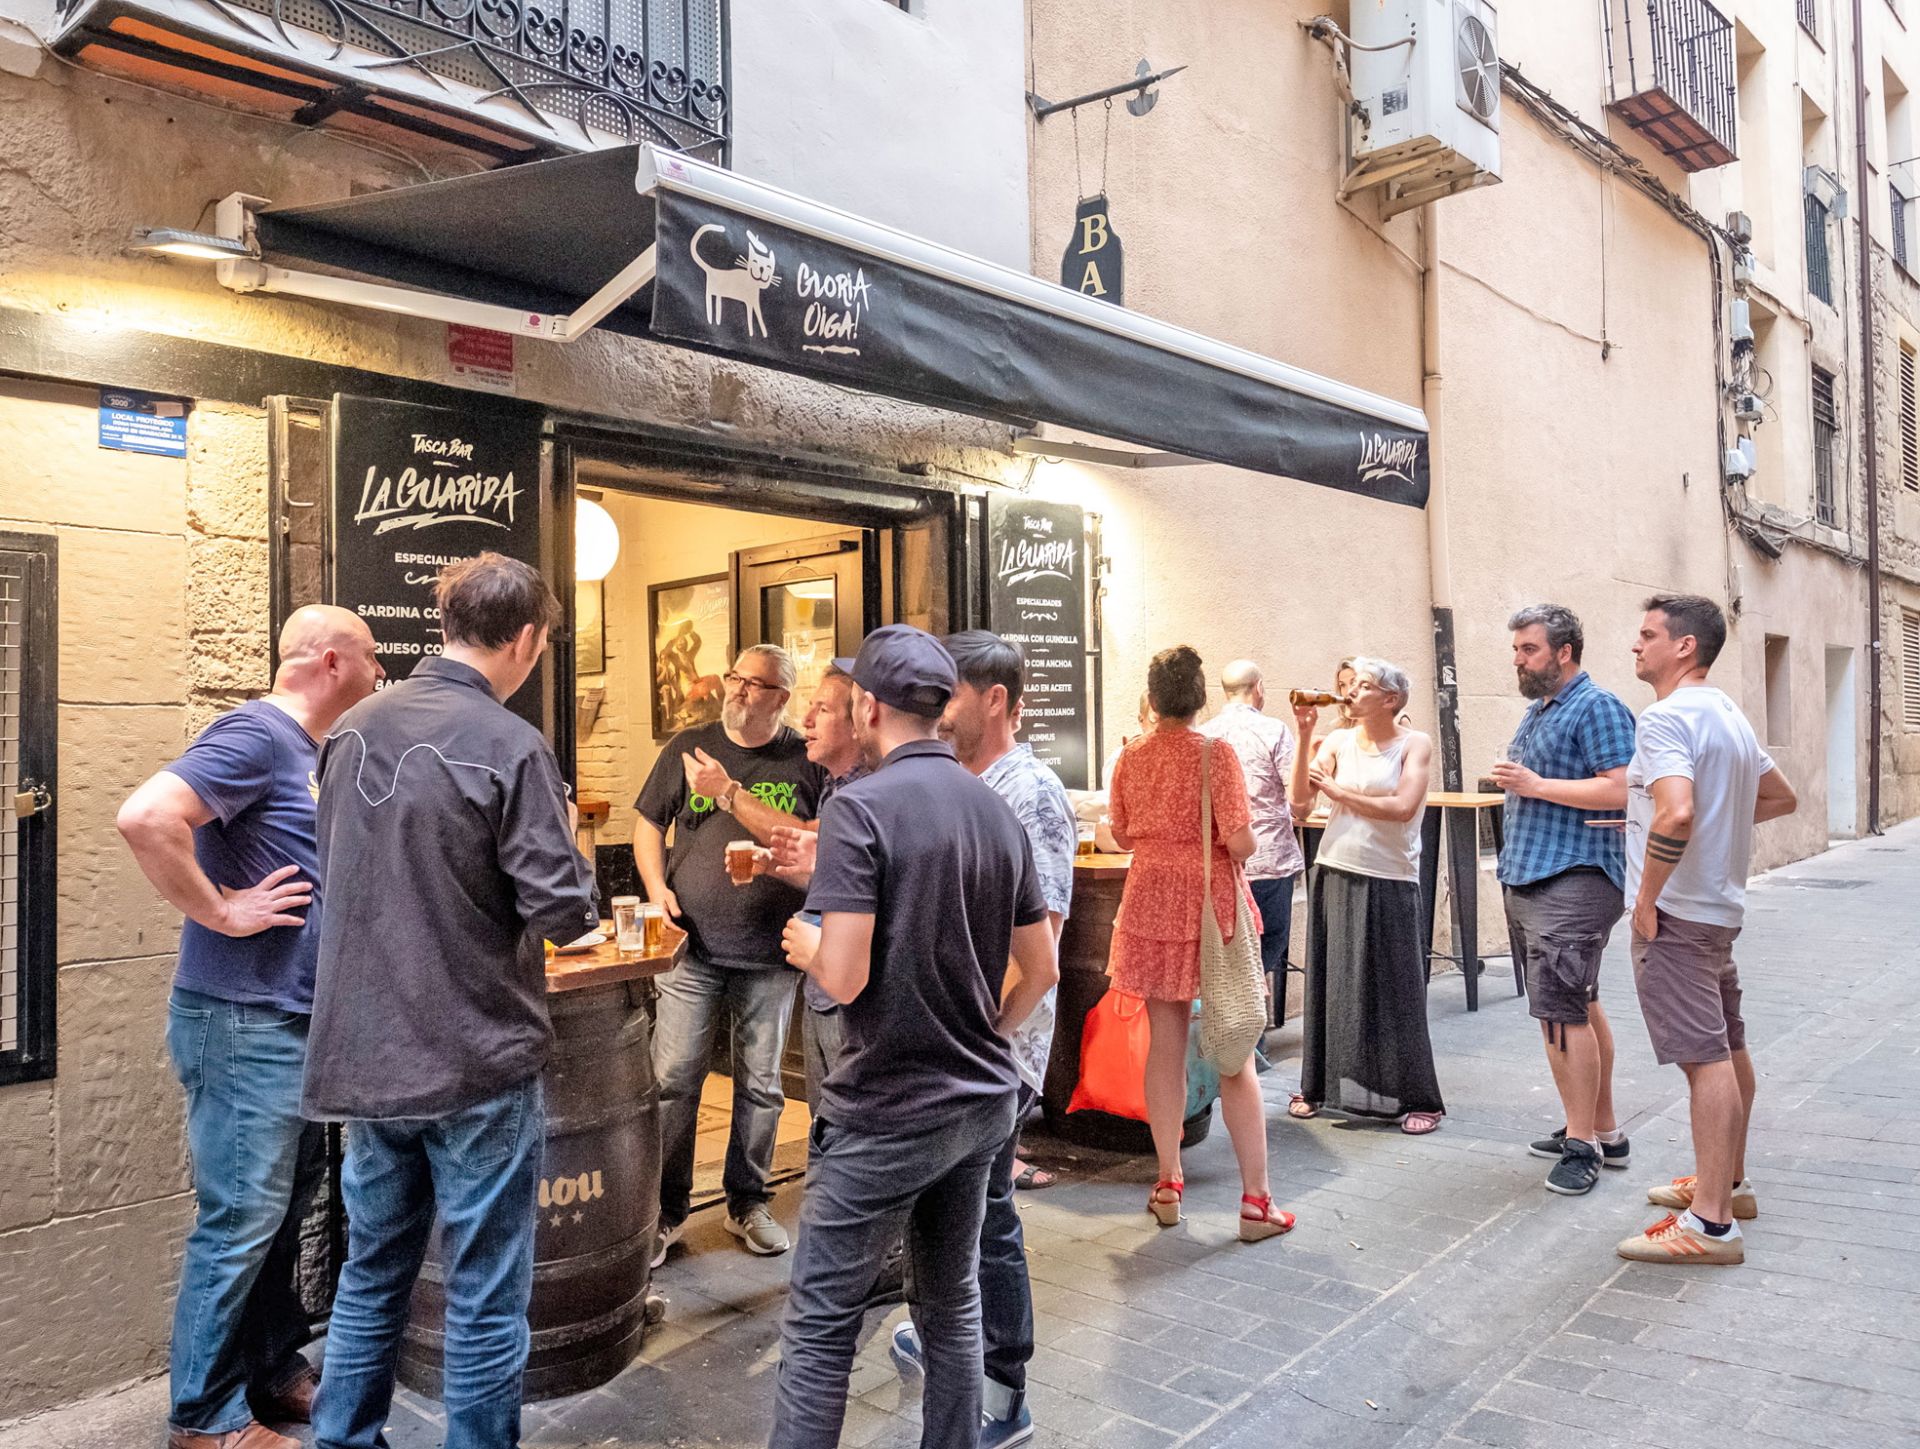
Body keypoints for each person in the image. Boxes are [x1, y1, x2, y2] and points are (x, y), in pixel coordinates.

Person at [303, 554, 598, 1449]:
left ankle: (342, 1438)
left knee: (372, 1270)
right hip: (474, 1057)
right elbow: (565, 912)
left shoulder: (351, 730)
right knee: (483, 1293)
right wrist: (574, 843)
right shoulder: (510, 743)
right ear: (525, 638)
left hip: (366, 1056)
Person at [772, 625, 1059, 1449]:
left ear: (867, 705)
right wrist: (985, 1033)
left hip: (885, 1109)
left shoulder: (859, 807)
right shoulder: (994, 808)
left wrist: (805, 944)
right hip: (978, 1105)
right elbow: (1038, 969)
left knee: (822, 1328)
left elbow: (847, 976)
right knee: (952, 1305)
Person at [117, 606, 382, 1449]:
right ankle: (203, 1418)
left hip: (289, 1023)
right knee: (239, 1219)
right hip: (244, 1022)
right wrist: (223, 911)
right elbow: (146, 815)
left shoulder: (309, 751)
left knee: (278, 1213)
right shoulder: (258, 735)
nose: (382, 672)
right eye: (373, 658)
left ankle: (272, 1369)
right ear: (335, 662)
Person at [888, 630, 1076, 1447]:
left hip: (999, 1047)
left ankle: (1004, 1384)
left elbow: (1043, 945)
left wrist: (986, 1033)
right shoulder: (957, 781)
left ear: (992, 700)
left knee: (989, 1209)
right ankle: (947, 1338)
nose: (933, 711)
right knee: (944, 1204)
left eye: (948, 694)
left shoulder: (1027, 792)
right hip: (959, 1042)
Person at [1616, 595, 1797, 1266]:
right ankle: (1730, 1182)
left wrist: (1647, 895)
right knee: (1727, 1045)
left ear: (1684, 646)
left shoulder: (1663, 718)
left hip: (1678, 914)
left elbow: (1676, 813)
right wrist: (1707, 828)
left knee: (1705, 1059)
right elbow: (1779, 796)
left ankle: (1712, 1224)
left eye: (1647, 635)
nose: (1636, 646)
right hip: (1716, 910)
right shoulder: (1728, 713)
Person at [636, 642, 827, 1264]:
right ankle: (663, 1214)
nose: (739, 690)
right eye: (736, 678)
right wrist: (657, 888)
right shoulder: (689, 747)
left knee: (763, 1085)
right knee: (673, 1081)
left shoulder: (806, 758)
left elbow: (811, 841)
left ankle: (748, 1202)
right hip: (691, 947)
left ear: (782, 697)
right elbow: (647, 822)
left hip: (771, 951)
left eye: (756, 684)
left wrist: (730, 793)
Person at [1107, 645, 1296, 1239]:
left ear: (1154, 698)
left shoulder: (1130, 756)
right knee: (1234, 1044)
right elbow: (1241, 842)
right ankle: (1256, 1203)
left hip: (1149, 899)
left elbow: (1120, 833)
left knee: (1163, 1044)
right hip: (1210, 905)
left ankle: (1167, 1181)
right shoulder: (1217, 755)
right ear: (1199, 699)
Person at [1490, 605, 1638, 1197]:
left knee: (1559, 1014)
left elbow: (1622, 786)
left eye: (1529, 649)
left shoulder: (1597, 706)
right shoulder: (1540, 710)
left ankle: (1583, 1147)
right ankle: (1604, 1130)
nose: (1519, 659)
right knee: (1578, 1002)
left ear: (1564, 651)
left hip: (1576, 875)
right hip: (1535, 874)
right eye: (1518, 649)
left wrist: (1534, 784)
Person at [1288, 656, 1446, 1134]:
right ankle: (1318, 1087)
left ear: (1391, 699)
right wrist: (1302, 738)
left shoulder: (1413, 743)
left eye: (1363, 685)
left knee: (1395, 989)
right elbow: (1300, 804)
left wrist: (1337, 791)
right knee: (1330, 981)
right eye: (1350, 685)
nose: (1351, 692)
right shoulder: (1337, 740)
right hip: (1335, 866)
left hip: (1390, 875)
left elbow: (1401, 807)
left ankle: (1420, 1098)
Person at [1201, 658, 1305, 1026]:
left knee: (1229, 951)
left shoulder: (1205, 734)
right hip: (1268, 857)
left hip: (1221, 862)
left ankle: (1234, 1034)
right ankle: (1249, 1034)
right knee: (1266, 946)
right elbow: (1298, 798)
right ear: (1258, 687)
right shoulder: (1274, 731)